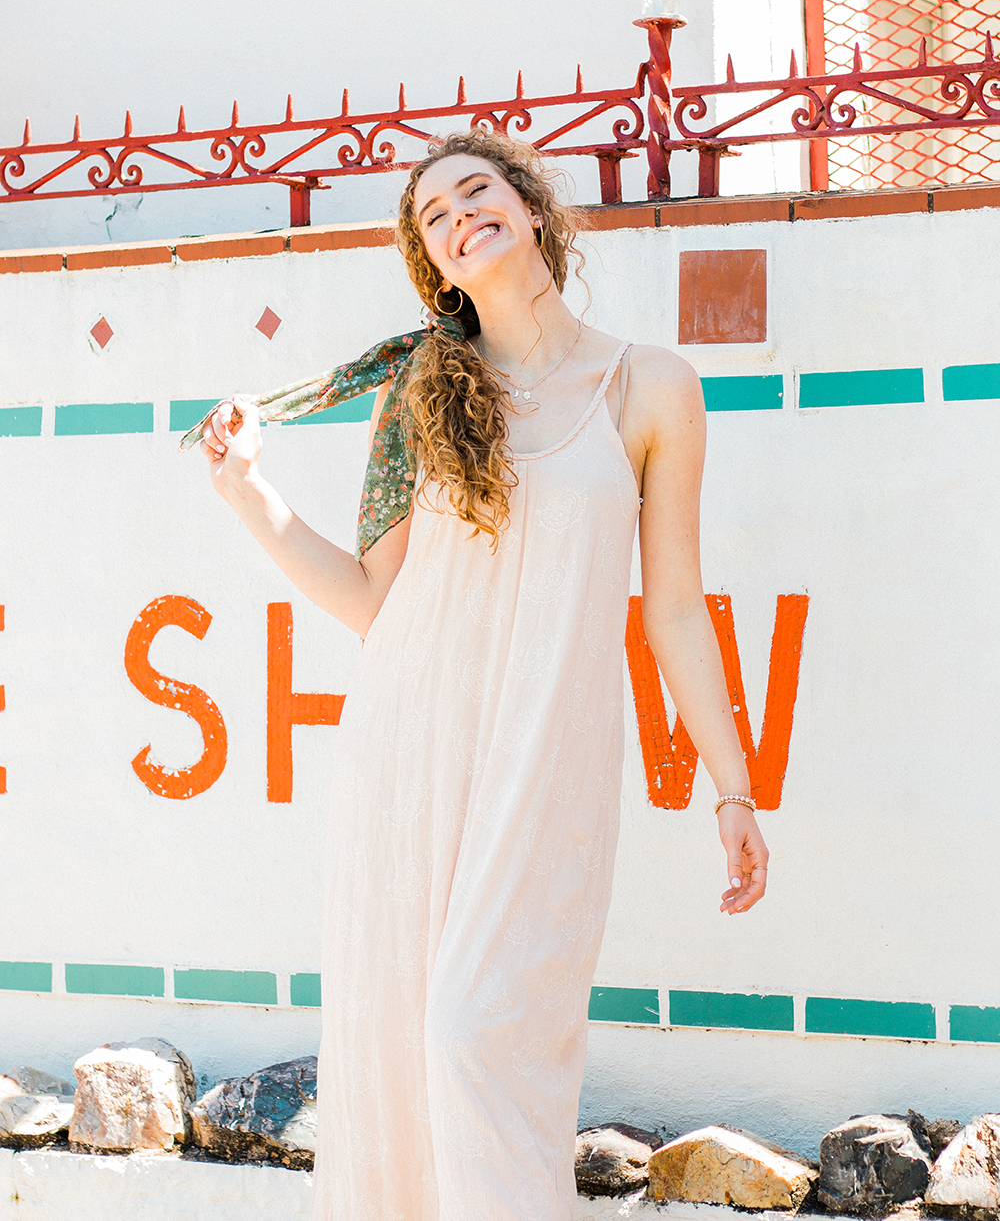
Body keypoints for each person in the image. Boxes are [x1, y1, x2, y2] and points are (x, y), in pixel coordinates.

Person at [199, 129, 768, 1221]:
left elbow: (674, 607)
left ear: (533, 207)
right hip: (410, 751)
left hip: (547, 766)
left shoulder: (650, 388)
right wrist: (248, 494)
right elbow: (374, 602)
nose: (460, 215)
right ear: (436, 265)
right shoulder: (421, 394)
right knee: (403, 1065)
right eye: (435, 217)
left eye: (477, 190)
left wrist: (730, 787)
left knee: (478, 1039)